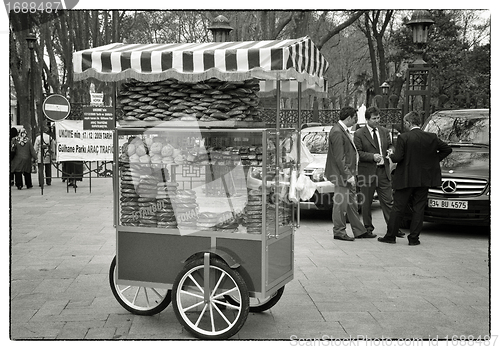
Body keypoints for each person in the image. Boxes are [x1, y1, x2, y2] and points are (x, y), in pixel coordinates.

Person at [378, 111, 452, 245]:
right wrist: (433, 161)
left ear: (408, 122)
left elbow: (398, 157)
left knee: (398, 207)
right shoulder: (431, 137)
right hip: (424, 178)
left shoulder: (404, 138)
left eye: (405, 123)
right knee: (419, 208)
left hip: (406, 178)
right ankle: (414, 238)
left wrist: (390, 155)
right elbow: (447, 149)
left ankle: (391, 236)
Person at [324, 106, 375, 241]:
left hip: (347, 174)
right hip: (342, 175)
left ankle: (359, 230)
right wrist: (348, 176)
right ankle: (339, 231)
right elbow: (339, 158)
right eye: (354, 118)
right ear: (348, 118)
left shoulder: (341, 130)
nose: (355, 121)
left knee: (352, 203)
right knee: (340, 204)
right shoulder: (337, 132)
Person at [353, 106, 403, 238]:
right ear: (367, 119)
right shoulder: (359, 134)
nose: (377, 120)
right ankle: (367, 228)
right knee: (366, 202)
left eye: (378, 118)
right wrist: (372, 156)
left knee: (388, 201)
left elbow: (391, 144)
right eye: (374, 118)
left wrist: (391, 150)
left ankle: (393, 228)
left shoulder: (384, 131)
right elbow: (359, 153)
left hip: (383, 171)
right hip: (367, 171)